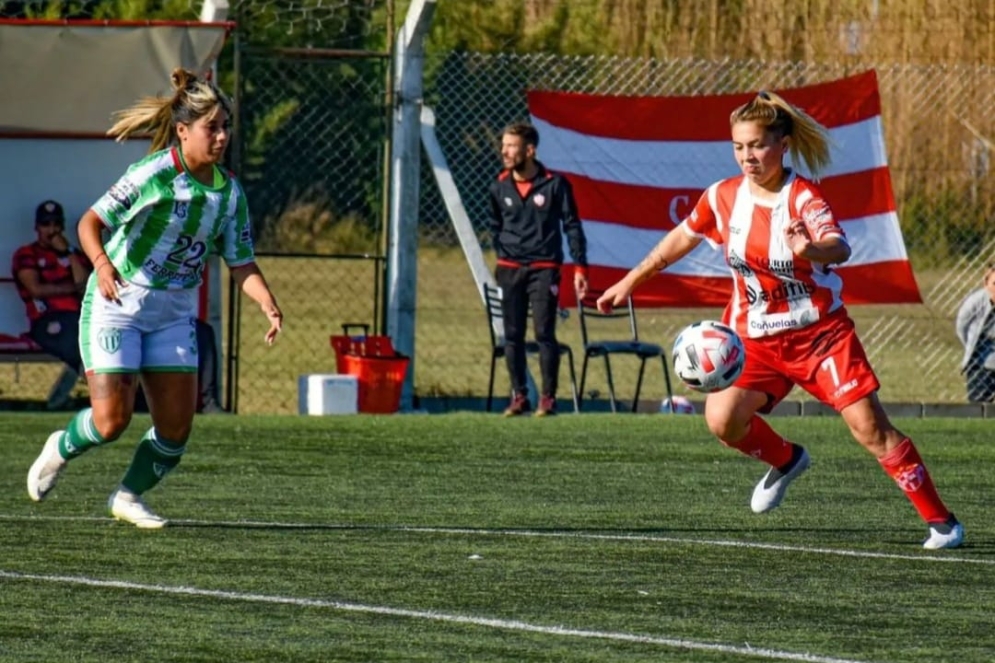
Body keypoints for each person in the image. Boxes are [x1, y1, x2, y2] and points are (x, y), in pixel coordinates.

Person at [597, 90, 964, 549]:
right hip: (755, 340)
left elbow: (839, 247)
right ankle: (787, 460)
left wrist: (809, 249)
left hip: (819, 337)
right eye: (739, 146)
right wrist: (630, 281)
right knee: (722, 419)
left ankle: (943, 524)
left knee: (870, 429)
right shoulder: (722, 197)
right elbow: (679, 239)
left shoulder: (803, 197)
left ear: (783, 145)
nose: (747, 157)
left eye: (757, 145)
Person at [26, 68, 283, 528]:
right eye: (212, 127)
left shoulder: (229, 194)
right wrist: (103, 266)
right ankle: (59, 447)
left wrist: (267, 302)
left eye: (226, 127)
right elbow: (89, 223)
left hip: (173, 314)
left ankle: (128, 496)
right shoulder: (154, 173)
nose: (222, 136)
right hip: (119, 305)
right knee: (111, 422)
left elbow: (241, 261)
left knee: (176, 429)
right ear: (183, 130)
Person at [488, 121, 589, 417]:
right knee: (512, 334)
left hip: (544, 268)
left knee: (544, 332)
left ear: (530, 150)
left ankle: (548, 398)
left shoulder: (555, 184)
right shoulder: (498, 185)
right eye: (504, 145)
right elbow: (494, 226)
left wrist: (580, 266)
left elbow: (572, 225)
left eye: (512, 146)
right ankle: (519, 396)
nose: (505, 151)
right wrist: (503, 252)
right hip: (510, 269)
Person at [11, 200, 91, 379]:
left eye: (56, 224)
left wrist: (69, 253)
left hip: (79, 318)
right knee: (72, 338)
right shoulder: (27, 254)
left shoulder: (75, 255)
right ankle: (78, 379)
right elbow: (36, 289)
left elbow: (86, 287)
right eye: (46, 224)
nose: (52, 230)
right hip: (46, 320)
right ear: (37, 227)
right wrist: (73, 288)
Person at [955, 263, 995, 402]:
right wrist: (972, 346)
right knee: (978, 406)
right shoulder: (975, 301)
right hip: (981, 364)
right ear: (986, 283)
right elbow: (961, 327)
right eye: (994, 284)